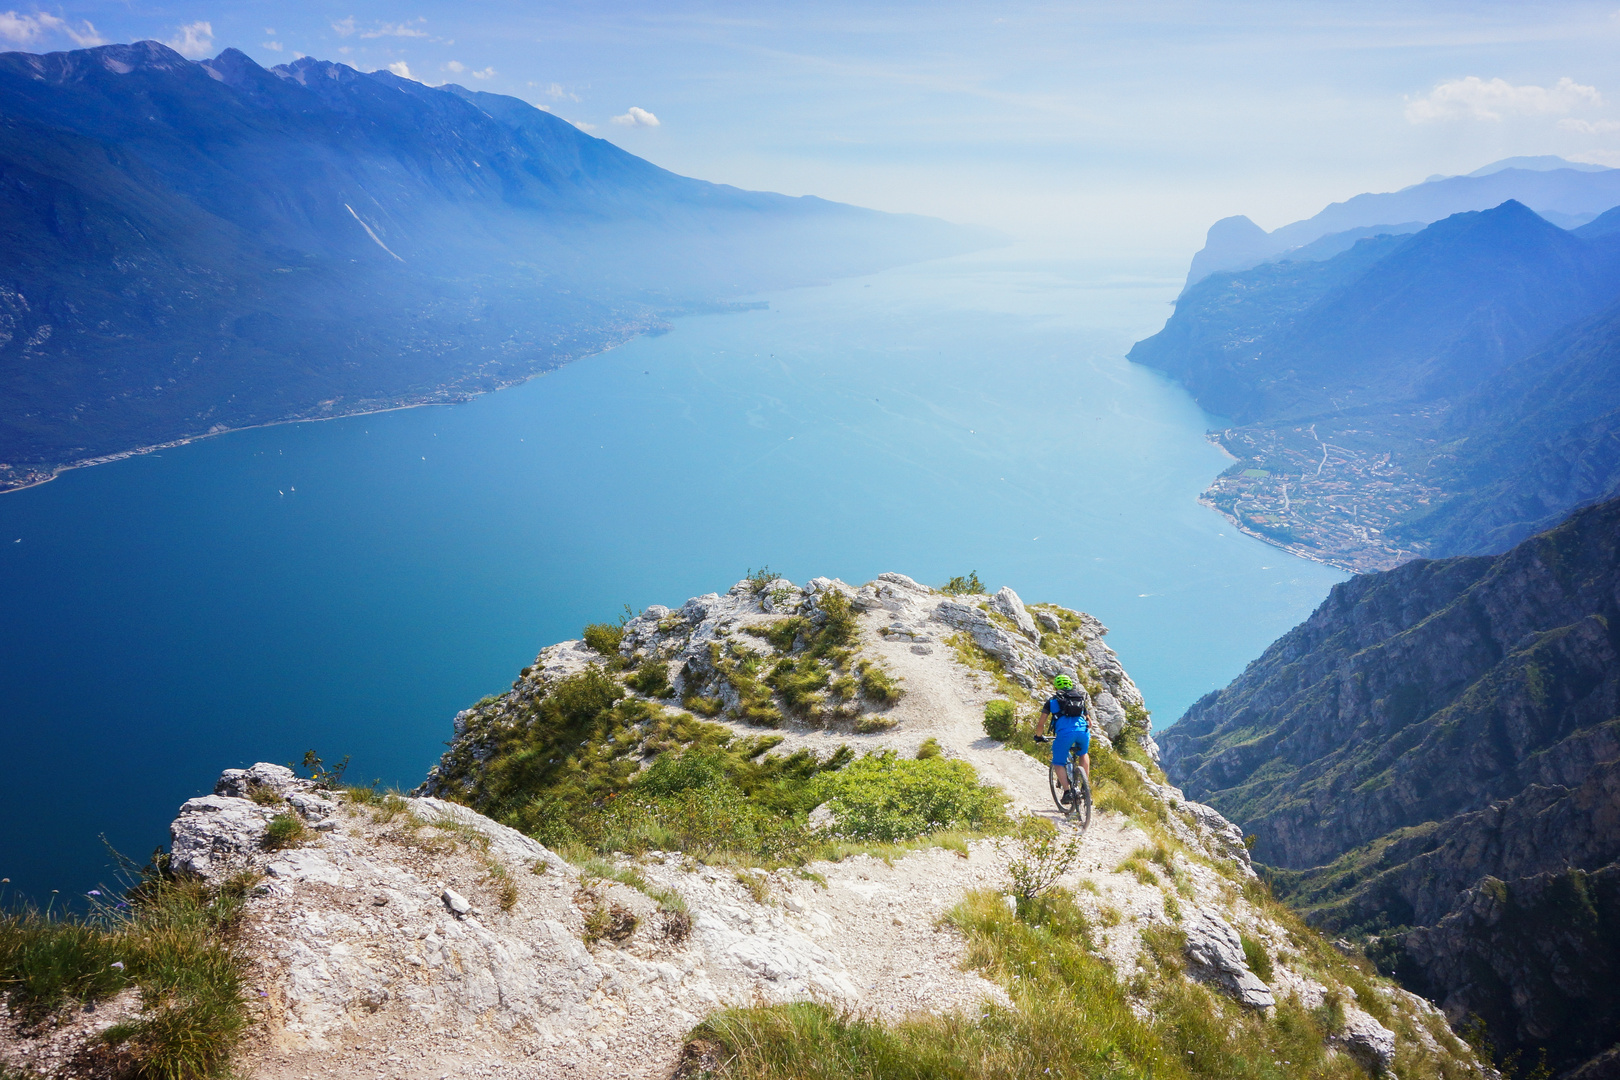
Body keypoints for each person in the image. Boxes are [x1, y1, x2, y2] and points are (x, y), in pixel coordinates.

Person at [1036, 674, 1091, 807]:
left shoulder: (1052, 701)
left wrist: (1038, 736)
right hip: (1083, 731)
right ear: (1071, 685)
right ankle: (1085, 788)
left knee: (1058, 762)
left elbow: (1041, 724)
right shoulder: (1079, 698)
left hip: (1065, 733)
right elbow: (1089, 722)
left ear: (1056, 686)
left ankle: (1067, 792)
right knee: (1083, 754)